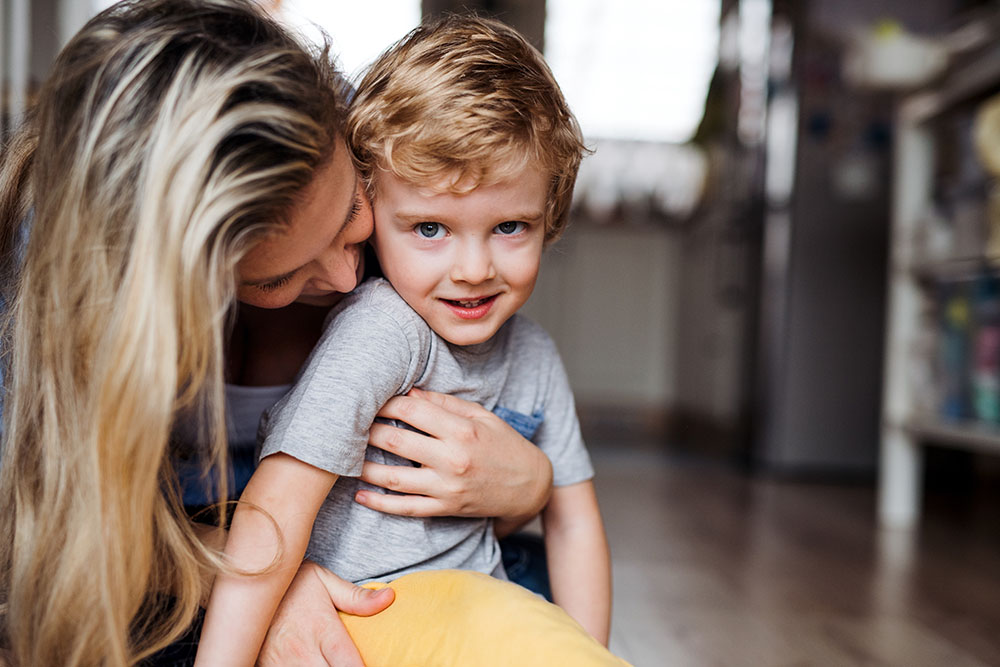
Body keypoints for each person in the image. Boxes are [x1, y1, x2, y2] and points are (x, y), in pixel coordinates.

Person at [0, 2, 557, 665]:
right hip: (161, 553)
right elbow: (50, 537)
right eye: (279, 275)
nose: (351, 277)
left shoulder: (388, 143)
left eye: (351, 208)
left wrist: (529, 488)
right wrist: (257, 576)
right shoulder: (48, 285)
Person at [196, 15, 612, 665]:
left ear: (549, 216)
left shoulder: (535, 355)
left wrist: (587, 646)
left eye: (509, 226)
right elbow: (272, 507)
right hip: (356, 622)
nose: (474, 267)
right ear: (375, 206)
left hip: (473, 611)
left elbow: (575, 519)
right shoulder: (381, 329)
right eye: (429, 229)